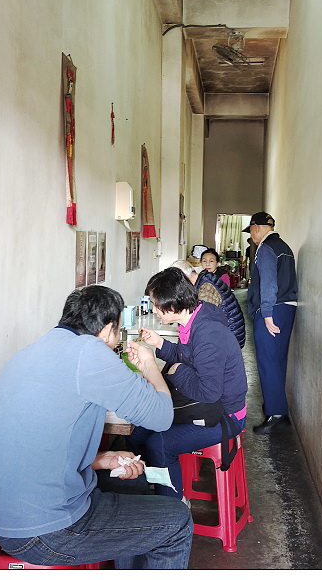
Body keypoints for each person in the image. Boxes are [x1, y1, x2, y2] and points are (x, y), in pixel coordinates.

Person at [0, 285, 193, 569]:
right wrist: (149, 366)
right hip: (44, 533)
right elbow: (162, 417)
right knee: (177, 521)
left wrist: (99, 460)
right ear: (108, 330)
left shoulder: (35, 349)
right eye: (117, 335)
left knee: (133, 482)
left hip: (4, 518)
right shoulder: (91, 352)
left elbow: (40, 444)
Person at [127, 268, 247, 502]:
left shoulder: (208, 332)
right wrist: (160, 343)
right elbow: (187, 355)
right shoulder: (195, 318)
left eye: (155, 304)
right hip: (207, 405)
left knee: (159, 443)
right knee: (139, 432)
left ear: (172, 306)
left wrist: (176, 371)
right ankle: (157, 485)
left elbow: (208, 392)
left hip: (225, 414)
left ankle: (173, 508)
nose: (153, 310)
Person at [243, 212, 298, 435]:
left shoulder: (266, 248)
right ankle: (277, 409)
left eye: (252, 232)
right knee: (277, 359)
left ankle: (276, 414)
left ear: (256, 228)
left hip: (273, 309)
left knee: (267, 361)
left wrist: (266, 314)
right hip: (287, 308)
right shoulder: (284, 246)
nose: (252, 237)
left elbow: (268, 283)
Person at [170, 259, 245, 349]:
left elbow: (204, 323)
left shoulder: (206, 289)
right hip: (229, 332)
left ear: (184, 278)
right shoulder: (203, 280)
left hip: (230, 339)